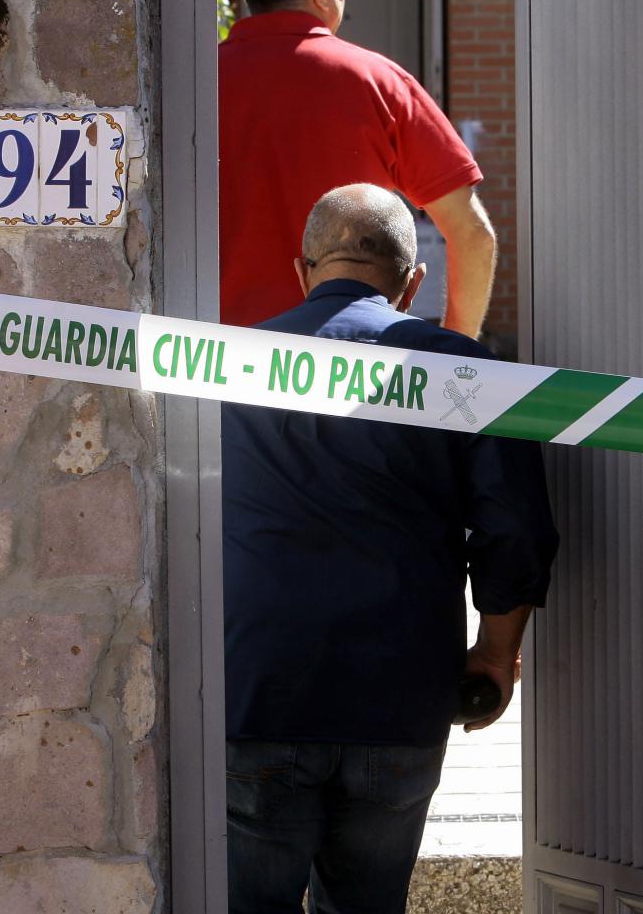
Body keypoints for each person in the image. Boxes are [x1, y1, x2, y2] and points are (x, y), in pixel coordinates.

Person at [222, 184, 558, 913]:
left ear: (300, 270)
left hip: (258, 693)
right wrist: (496, 654)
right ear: (414, 282)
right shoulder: (466, 373)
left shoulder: (227, 369)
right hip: (397, 701)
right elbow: (515, 529)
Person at [220, 0, 498, 337]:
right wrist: (454, 358)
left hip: (207, 367)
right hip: (349, 372)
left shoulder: (193, 84)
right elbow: (473, 235)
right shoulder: (378, 83)